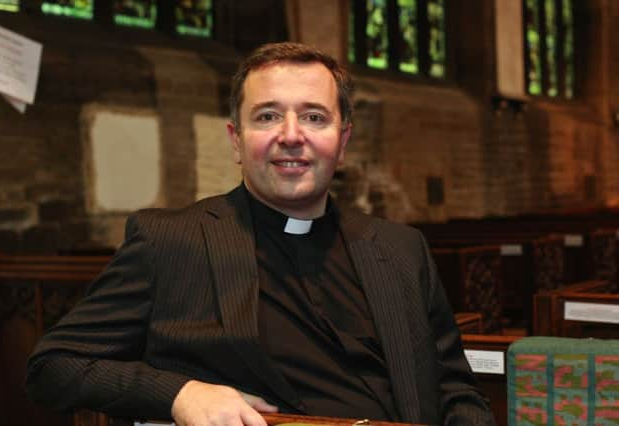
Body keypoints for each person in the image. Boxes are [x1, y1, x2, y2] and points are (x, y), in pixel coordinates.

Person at [26, 42, 495, 426]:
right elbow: (54, 367)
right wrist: (180, 394)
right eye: (268, 116)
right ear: (235, 139)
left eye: (314, 116)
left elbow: (454, 389)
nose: (291, 135)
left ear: (343, 141)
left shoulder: (400, 249)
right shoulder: (170, 242)